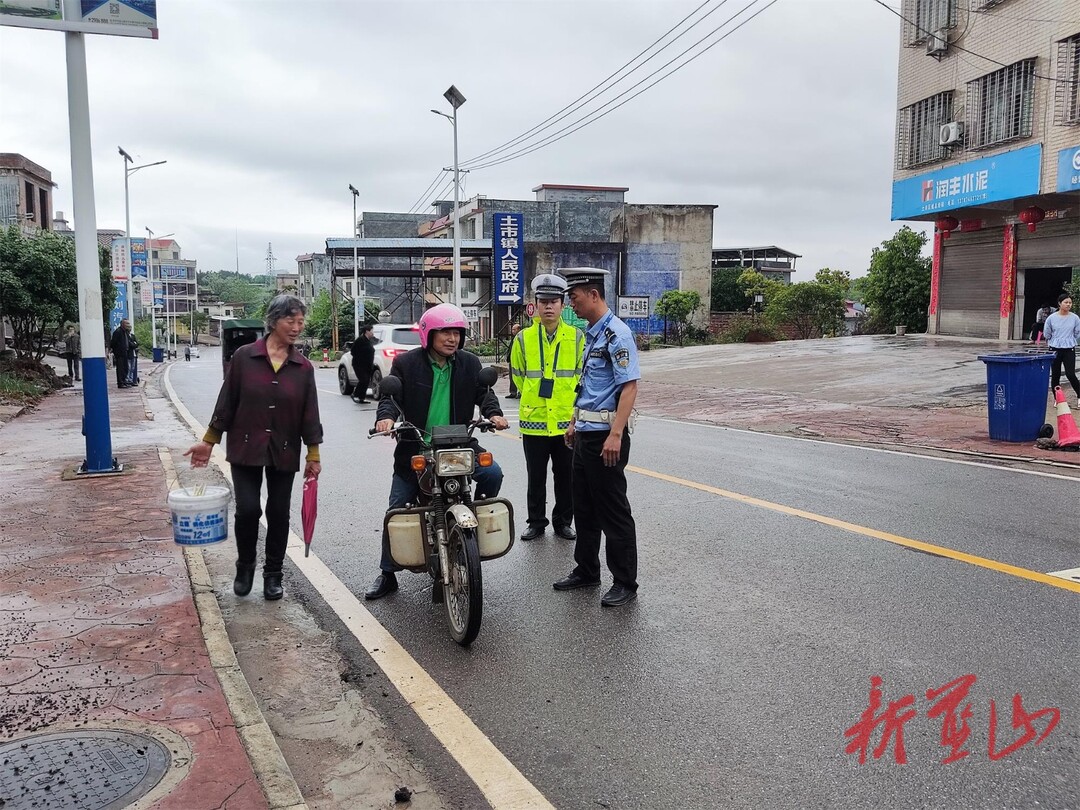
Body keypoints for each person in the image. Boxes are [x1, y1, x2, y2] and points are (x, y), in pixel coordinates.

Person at [365, 303, 509, 600]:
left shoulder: (469, 363)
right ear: (429, 334)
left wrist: (493, 415)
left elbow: (485, 394)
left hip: (458, 444)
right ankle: (387, 572)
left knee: (493, 473)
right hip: (417, 446)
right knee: (397, 506)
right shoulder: (407, 364)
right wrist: (386, 418)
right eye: (445, 331)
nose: (451, 338)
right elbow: (391, 396)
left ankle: (469, 535)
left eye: (456, 332)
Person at [183, 294, 323, 602]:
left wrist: (313, 453)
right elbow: (227, 402)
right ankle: (245, 566)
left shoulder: (303, 367)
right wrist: (208, 442)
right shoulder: (245, 358)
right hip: (246, 446)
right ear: (274, 321)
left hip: (284, 447)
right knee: (248, 510)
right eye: (291, 321)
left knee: (278, 512)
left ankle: (273, 574)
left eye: (300, 322)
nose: (297, 328)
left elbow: (309, 413)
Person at [553, 268, 641, 608]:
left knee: (613, 511)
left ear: (593, 295)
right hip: (587, 435)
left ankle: (625, 582)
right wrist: (575, 421)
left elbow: (629, 387)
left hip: (607, 436)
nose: (570, 305)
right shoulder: (592, 333)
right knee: (584, 508)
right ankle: (586, 569)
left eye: (573, 298)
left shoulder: (618, 334)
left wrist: (616, 434)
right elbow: (590, 386)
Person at [510, 273, 583, 542]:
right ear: (536, 306)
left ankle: (563, 522)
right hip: (535, 420)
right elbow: (518, 374)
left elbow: (580, 375)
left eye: (554, 301)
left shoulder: (577, 338)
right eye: (543, 302)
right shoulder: (523, 339)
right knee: (536, 477)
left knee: (566, 477)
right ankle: (536, 523)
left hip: (566, 421)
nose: (548, 307)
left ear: (563, 305)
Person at [1043, 293, 1080, 405]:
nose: (1068, 305)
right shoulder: (1052, 318)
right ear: (1059, 304)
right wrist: (1053, 340)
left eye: (1070, 302)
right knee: (1055, 374)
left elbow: (1077, 333)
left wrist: (1068, 339)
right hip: (1054, 348)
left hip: (1069, 348)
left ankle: (1079, 395)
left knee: (1070, 373)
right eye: (1066, 302)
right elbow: (1047, 333)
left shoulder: (1075, 318)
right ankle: (1057, 399)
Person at [350, 323, 376, 404]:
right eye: (371, 331)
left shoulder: (370, 341)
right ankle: (355, 394)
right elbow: (353, 351)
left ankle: (362, 398)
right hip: (359, 365)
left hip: (368, 365)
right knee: (363, 380)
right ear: (367, 331)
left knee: (367, 381)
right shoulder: (360, 340)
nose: (373, 333)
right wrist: (361, 357)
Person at [109, 319, 134, 389]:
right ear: (123, 324)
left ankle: (124, 381)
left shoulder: (125, 332)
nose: (128, 325)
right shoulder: (118, 332)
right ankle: (120, 383)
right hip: (119, 353)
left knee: (125, 368)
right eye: (127, 324)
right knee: (120, 369)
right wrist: (116, 351)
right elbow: (113, 343)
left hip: (125, 352)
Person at [505, 322, 522, 398]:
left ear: (519, 329)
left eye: (514, 329)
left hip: (518, 360)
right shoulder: (514, 338)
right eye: (512, 330)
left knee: (519, 376)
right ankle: (513, 392)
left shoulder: (521, 338)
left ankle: (520, 392)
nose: (512, 331)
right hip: (512, 360)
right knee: (512, 376)